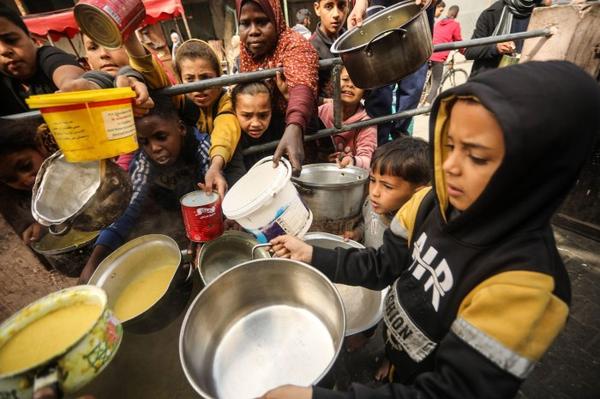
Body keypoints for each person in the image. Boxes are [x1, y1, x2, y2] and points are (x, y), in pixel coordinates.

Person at [262, 61, 600, 398]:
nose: (450, 166)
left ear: (534, 172)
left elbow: (450, 392)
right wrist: (313, 254)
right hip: (401, 355)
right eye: (450, 145)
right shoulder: (426, 205)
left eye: (477, 157)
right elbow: (382, 267)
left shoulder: (526, 286)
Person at [80, 95, 211, 282]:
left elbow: (214, 194)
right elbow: (128, 207)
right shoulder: (144, 162)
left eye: (161, 137)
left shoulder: (202, 146)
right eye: (145, 142)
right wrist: (96, 259)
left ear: (181, 128)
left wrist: (200, 239)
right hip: (172, 216)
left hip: (203, 214)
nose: (154, 148)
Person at [342, 137, 430, 355]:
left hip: (394, 290)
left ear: (418, 193)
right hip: (372, 272)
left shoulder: (413, 233)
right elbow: (367, 221)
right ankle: (365, 333)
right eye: (373, 180)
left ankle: (389, 357)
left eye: (387, 186)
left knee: (392, 326)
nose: (375, 192)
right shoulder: (374, 206)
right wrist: (357, 232)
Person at [236, 0, 319, 176]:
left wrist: (294, 126)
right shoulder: (246, 49)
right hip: (263, 134)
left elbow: (302, 82)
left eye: (261, 22)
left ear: (276, 19)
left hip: (296, 132)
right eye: (245, 24)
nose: (253, 32)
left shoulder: (293, 43)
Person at [175, 39, 245, 197]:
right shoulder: (180, 101)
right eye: (190, 80)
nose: (199, 87)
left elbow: (225, 129)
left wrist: (215, 166)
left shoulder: (227, 101)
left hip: (223, 163)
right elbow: (152, 73)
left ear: (219, 76)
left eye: (206, 77)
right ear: (180, 80)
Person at [0, 5, 94, 116]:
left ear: (32, 38)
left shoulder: (48, 56)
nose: (3, 50)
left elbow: (66, 72)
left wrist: (71, 84)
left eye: (11, 40)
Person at [0, 118, 56, 245]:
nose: (25, 180)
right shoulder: (16, 202)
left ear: (39, 146)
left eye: (26, 166)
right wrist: (36, 227)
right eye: (10, 180)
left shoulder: (75, 162)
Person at [318, 67, 377, 169]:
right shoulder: (320, 112)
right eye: (345, 79)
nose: (350, 85)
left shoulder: (367, 122)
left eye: (357, 82)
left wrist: (352, 161)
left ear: (365, 90)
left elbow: (368, 159)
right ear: (334, 83)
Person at [464, 0, 541, 77]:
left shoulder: (542, 12)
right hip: (492, 78)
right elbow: (470, 51)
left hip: (525, 77)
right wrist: (496, 48)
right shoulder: (492, 13)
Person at [231, 81, 285, 169]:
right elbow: (235, 171)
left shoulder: (277, 125)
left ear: (271, 110)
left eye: (263, 115)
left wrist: (288, 97)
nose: (255, 123)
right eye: (247, 116)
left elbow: (310, 129)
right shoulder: (234, 135)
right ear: (234, 112)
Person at [309, 0, 349, 101]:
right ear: (317, 9)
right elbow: (308, 94)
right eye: (328, 6)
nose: (336, 14)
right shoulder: (309, 49)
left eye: (342, 5)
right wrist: (325, 101)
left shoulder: (351, 40)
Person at [425, 4, 463, 105]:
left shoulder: (439, 23)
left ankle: (424, 97)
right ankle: (428, 105)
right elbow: (459, 41)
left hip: (429, 53)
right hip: (439, 56)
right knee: (437, 81)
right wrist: (464, 51)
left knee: (429, 80)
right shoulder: (455, 25)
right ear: (456, 14)